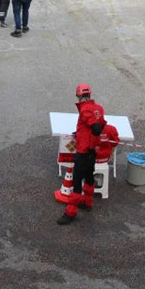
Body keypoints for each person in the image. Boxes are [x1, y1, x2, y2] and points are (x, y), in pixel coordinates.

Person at [58, 84, 106, 225]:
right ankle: (88, 203)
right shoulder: (99, 108)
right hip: (93, 150)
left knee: (77, 181)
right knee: (89, 176)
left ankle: (71, 212)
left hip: (83, 150)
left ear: (79, 96)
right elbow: (101, 124)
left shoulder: (85, 110)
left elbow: (95, 128)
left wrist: (90, 131)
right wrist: (81, 133)